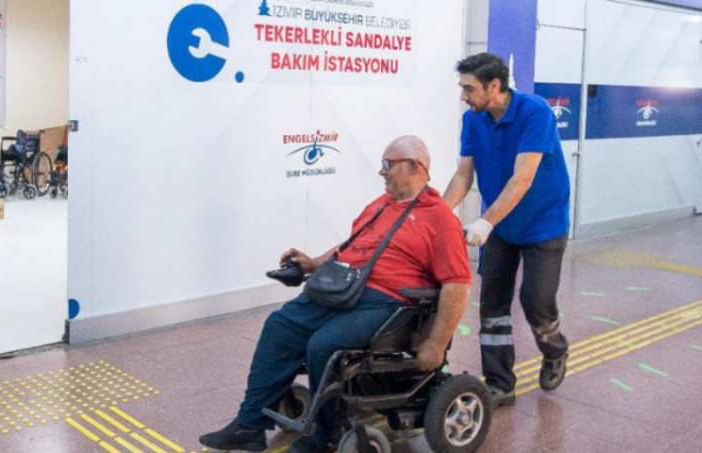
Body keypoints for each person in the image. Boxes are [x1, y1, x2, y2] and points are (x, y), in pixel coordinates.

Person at [199, 136, 472, 453]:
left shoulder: (440, 219)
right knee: (279, 325)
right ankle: (249, 426)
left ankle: (326, 433)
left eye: (388, 164)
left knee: (324, 346)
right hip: (346, 286)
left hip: (388, 301)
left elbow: (457, 284)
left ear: (413, 167)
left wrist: (436, 343)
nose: (381, 171)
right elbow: (351, 246)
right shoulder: (380, 204)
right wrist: (313, 263)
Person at [442, 52, 571, 407]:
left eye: (469, 88)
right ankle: (500, 384)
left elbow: (523, 178)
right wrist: (436, 214)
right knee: (493, 306)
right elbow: (463, 175)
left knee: (536, 301)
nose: (464, 96)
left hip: (543, 223)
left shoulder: (535, 112)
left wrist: (486, 221)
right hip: (501, 225)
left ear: (494, 85)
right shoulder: (473, 120)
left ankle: (554, 348)